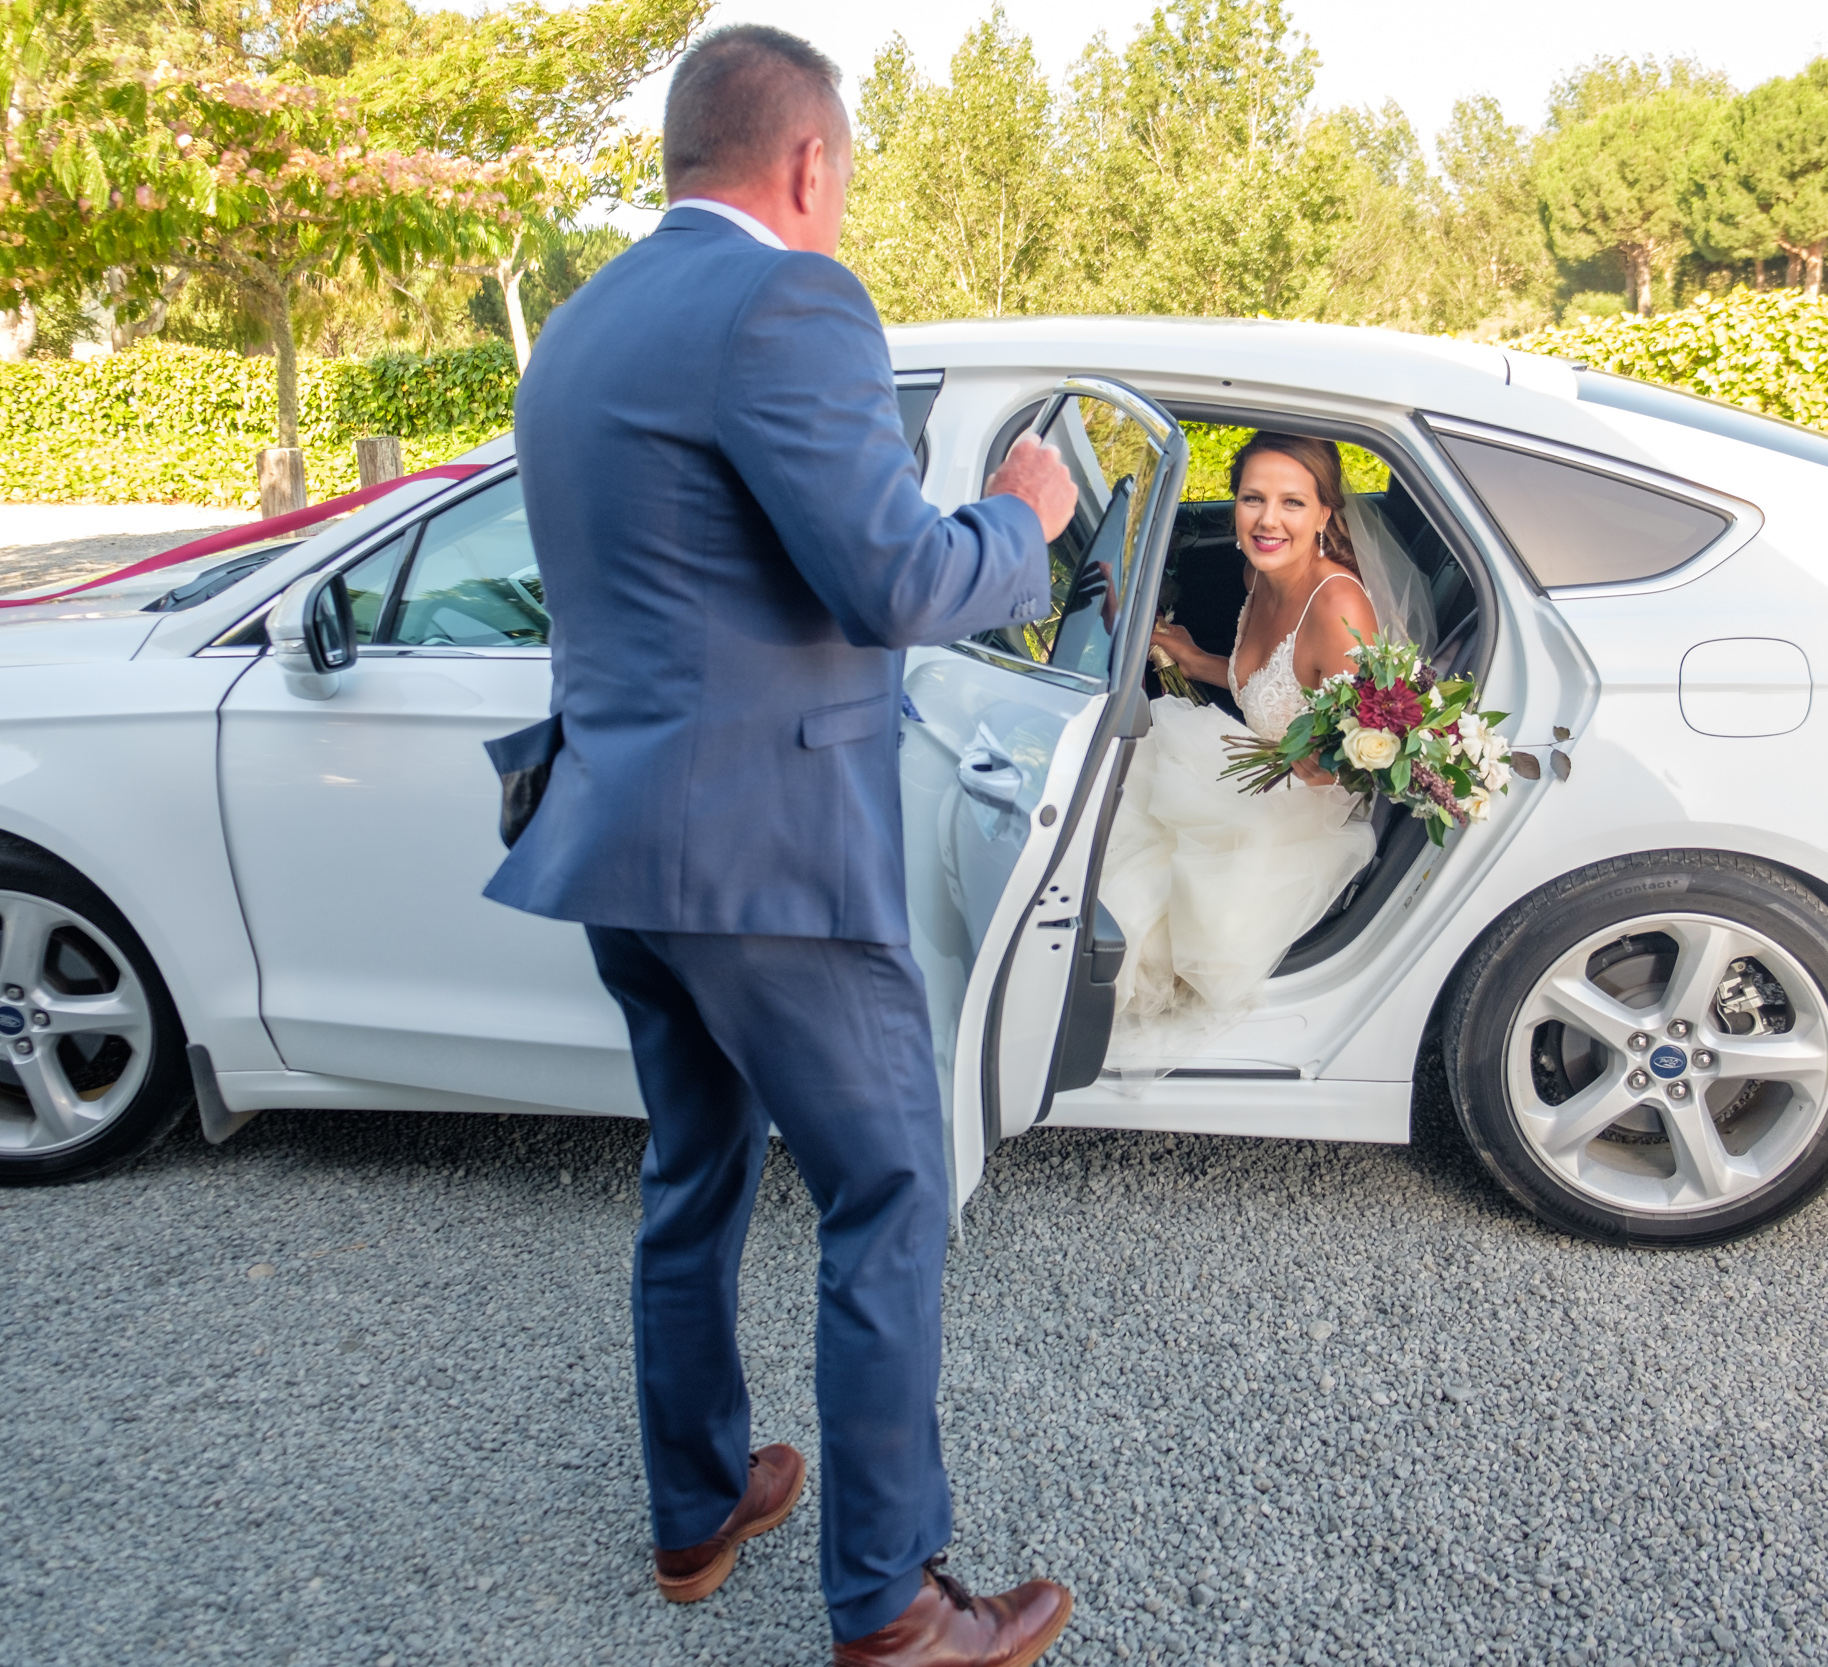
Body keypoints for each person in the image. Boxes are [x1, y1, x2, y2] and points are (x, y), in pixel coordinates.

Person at [484, 26, 1081, 1667]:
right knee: (889, 1188)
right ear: (808, 164)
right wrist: (1025, 514)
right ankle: (891, 1604)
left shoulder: (587, 322)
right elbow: (893, 584)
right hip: (765, 854)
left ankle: (699, 1510)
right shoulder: (794, 303)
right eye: (848, 177)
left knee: (693, 1173)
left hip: (614, 829)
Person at [1098, 433, 1386, 1066]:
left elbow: (1369, 755)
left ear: (1324, 515)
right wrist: (1181, 651)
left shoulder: (1337, 605)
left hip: (1302, 814)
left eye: (1292, 502)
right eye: (1253, 498)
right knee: (1111, 793)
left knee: (1138, 878)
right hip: (1245, 765)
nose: (1268, 519)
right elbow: (1255, 684)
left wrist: (1323, 761)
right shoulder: (1262, 572)